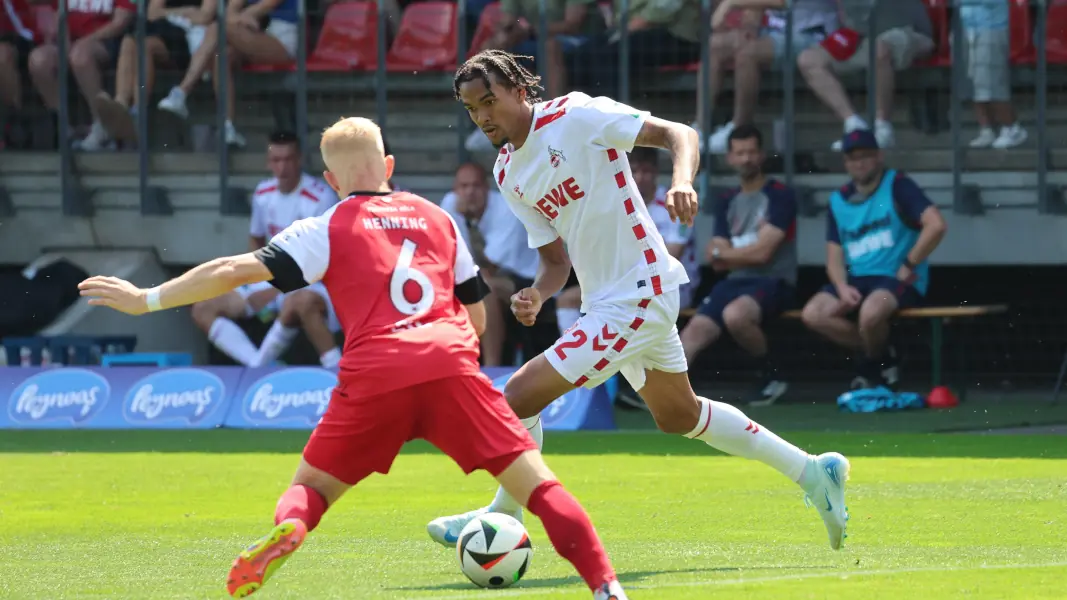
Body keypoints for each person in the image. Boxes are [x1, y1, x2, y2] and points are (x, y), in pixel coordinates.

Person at [79, 116, 629, 600]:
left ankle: (291, 529)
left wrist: (144, 299)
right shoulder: (440, 219)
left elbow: (231, 270)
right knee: (540, 488)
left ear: (331, 181)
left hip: (374, 374)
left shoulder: (327, 226)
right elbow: (479, 318)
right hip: (448, 365)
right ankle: (606, 586)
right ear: (388, 164)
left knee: (310, 491)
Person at [435, 49, 852, 552]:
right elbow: (554, 263)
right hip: (608, 302)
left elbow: (681, 134)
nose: (482, 117)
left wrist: (681, 182)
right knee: (679, 415)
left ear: (519, 92)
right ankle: (813, 472)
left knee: (518, 394)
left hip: (640, 290)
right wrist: (537, 295)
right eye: (471, 109)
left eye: (488, 101)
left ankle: (503, 515)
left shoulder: (576, 115)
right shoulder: (507, 173)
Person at [801, 129, 947, 390]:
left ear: (879, 156)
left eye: (865, 156)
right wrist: (842, 287)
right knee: (813, 314)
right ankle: (883, 354)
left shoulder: (898, 185)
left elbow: (936, 225)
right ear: (846, 162)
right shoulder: (838, 199)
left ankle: (871, 366)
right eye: (853, 158)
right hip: (858, 278)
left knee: (870, 314)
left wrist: (909, 264)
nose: (859, 163)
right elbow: (833, 256)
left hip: (896, 276)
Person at [189, 131, 339, 366]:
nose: (283, 167)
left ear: (299, 159)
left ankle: (335, 373)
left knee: (299, 303)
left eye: (288, 159)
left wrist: (272, 291)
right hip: (273, 278)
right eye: (277, 160)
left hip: (311, 282)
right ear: (268, 162)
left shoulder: (321, 197)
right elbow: (256, 241)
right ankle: (256, 365)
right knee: (203, 307)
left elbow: (321, 260)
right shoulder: (263, 193)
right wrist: (250, 280)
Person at [680, 124, 797, 406]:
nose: (746, 159)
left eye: (751, 152)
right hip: (733, 282)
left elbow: (763, 256)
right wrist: (733, 254)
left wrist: (728, 254)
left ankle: (772, 376)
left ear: (762, 154)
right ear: (730, 158)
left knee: (736, 315)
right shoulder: (727, 200)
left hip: (775, 281)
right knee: (692, 332)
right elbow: (713, 257)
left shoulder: (780, 195)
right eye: (740, 153)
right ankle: (667, 393)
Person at [441, 162, 550, 366]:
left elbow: (489, 266)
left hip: (528, 277)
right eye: (464, 187)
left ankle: (491, 367)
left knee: (485, 288)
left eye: (475, 186)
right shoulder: (450, 203)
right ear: (456, 189)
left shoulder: (506, 208)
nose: (470, 192)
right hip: (483, 275)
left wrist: (468, 222)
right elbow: (450, 257)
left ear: (486, 188)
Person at [703, 0, 838, 154]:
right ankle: (700, 127)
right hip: (777, 31)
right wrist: (751, 25)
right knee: (715, 45)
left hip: (812, 34)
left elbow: (782, 2)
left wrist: (730, 3)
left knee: (748, 53)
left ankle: (738, 128)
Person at [796, 0, 934, 150]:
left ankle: (882, 128)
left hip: (909, 30)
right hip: (862, 36)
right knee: (808, 59)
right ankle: (854, 125)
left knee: (878, 50)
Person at [94, 0, 216, 146]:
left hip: (189, 38)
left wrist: (168, 13)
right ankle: (121, 104)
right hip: (163, 31)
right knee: (129, 40)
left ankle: (137, 113)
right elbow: (152, 13)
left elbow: (205, 16)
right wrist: (187, 11)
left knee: (145, 46)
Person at [27, 0, 134, 151]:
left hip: (106, 41)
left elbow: (120, 22)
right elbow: (58, 15)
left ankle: (102, 125)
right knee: (39, 60)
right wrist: (63, 41)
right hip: (71, 42)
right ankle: (63, 127)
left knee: (80, 56)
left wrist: (85, 41)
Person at [960, 0, 1026, 149]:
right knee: (972, 83)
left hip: (991, 28)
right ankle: (986, 129)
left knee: (992, 82)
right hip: (965, 27)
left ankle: (1012, 128)